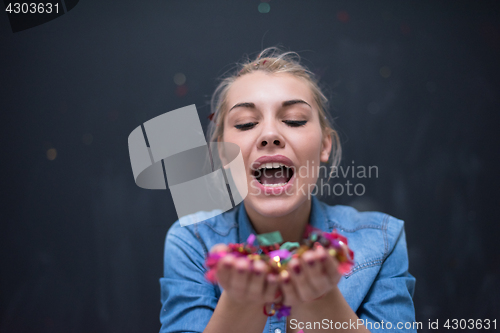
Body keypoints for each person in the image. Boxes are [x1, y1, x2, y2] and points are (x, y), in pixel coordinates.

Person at [159, 47, 416, 333]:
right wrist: (241, 304)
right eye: (245, 123)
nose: (270, 135)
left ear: (325, 145)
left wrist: (320, 300)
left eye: (294, 120)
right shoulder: (191, 242)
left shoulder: (383, 240)